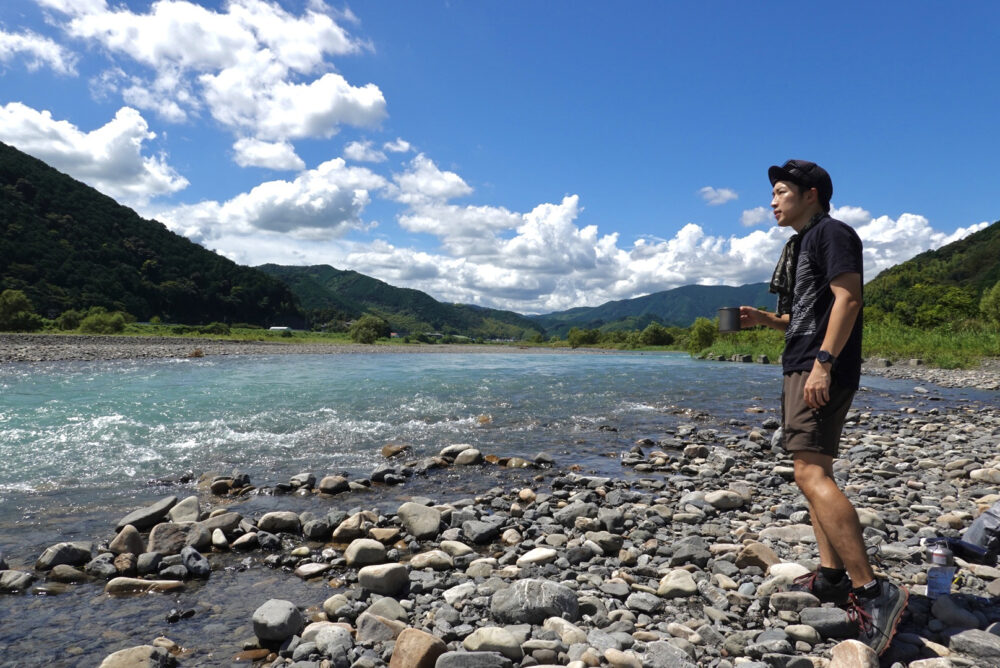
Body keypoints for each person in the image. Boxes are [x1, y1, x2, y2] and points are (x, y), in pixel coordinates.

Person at [739, 159, 907, 656]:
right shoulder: (802, 243)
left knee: (810, 474)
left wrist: (824, 363)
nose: (773, 201)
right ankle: (833, 576)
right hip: (804, 361)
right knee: (814, 469)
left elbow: (848, 299)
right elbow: (805, 312)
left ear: (810, 193)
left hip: (818, 367)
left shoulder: (834, 233)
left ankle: (874, 592)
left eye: (781, 191)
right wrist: (766, 320)